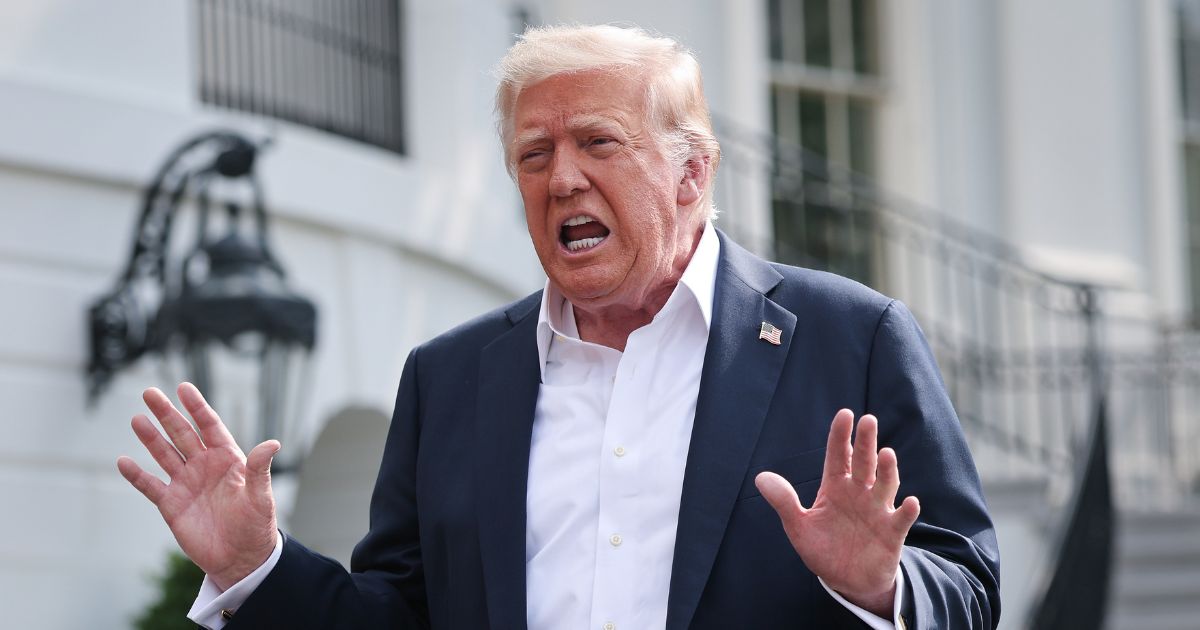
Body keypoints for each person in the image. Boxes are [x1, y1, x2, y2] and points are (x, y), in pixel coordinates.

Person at [118, 24, 1000, 630]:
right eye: (534, 156)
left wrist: (882, 586)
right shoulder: (449, 378)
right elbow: (401, 616)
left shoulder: (852, 338)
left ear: (691, 174)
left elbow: (968, 584)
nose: (562, 179)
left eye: (598, 142)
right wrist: (258, 566)